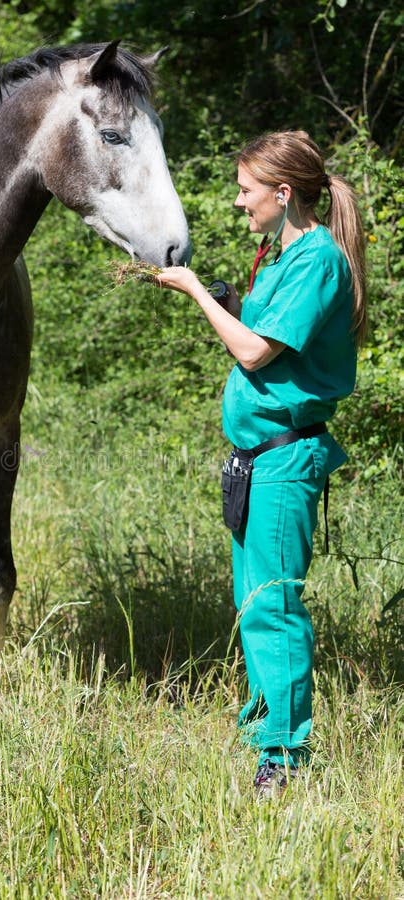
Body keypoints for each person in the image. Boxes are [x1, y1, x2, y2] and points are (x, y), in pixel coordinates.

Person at [156, 130, 367, 799]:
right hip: (256, 462)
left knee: (274, 608)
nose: (238, 201)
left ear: (283, 192)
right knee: (252, 607)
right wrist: (224, 295)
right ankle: (262, 733)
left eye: (246, 189)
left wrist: (196, 292)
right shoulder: (278, 258)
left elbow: (253, 353)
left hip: (284, 460)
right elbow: (259, 327)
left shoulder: (318, 261)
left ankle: (283, 758)